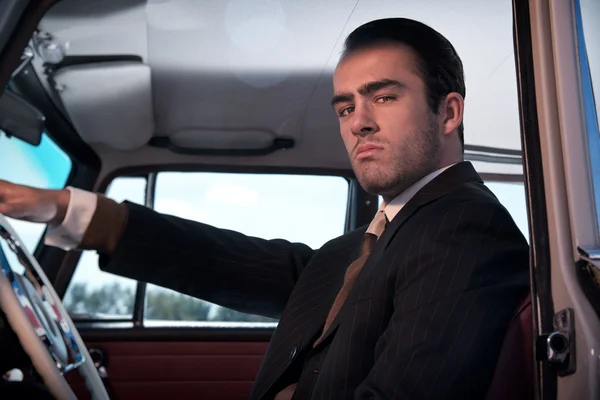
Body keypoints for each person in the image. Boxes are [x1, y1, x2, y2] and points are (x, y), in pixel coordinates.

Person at [0, 18, 530, 399]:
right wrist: (69, 210)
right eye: (345, 106)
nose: (357, 121)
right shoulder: (373, 240)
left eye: (384, 97)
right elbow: (236, 263)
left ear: (449, 112)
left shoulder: (465, 227)